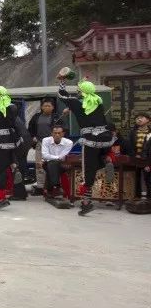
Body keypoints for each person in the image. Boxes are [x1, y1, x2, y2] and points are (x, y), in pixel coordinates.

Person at [57, 71, 113, 216]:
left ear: (81, 92)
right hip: (106, 138)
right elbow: (83, 98)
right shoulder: (98, 101)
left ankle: (86, 203)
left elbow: (62, 95)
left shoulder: (77, 103)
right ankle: (105, 161)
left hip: (91, 140)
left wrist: (62, 80)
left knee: (88, 169)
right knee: (96, 163)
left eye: (79, 90)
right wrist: (82, 86)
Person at [28, 97, 58, 192]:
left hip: (52, 145)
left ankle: (52, 186)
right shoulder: (36, 117)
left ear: (53, 107)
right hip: (40, 143)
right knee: (39, 165)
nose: (47, 107)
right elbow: (30, 129)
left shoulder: (56, 118)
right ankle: (40, 186)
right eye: (45, 106)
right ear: (41, 107)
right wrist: (33, 137)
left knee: (51, 165)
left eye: (49, 106)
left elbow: (62, 130)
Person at [41, 123, 73, 201]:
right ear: (52, 133)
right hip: (47, 164)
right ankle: (57, 186)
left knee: (52, 165)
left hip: (62, 165)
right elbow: (44, 155)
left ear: (63, 134)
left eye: (59, 133)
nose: (57, 135)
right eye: (55, 133)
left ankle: (51, 189)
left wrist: (53, 158)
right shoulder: (45, 140)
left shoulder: (69, 142)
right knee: (52, 164)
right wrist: (57, 158)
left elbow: (63, 157)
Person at [128, 111, 150, 199]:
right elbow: (129, 146)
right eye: (137, 118)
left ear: (148, 120)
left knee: (148, 179)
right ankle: (136, 196)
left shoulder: (150, 132)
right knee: (135, 178)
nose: (139, 119)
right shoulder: (132, 133)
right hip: (135, 158)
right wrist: (134, 155)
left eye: (141, 117)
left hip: (147, 159)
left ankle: (149, 198)